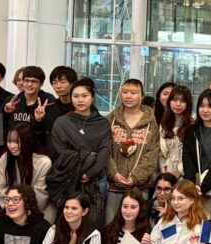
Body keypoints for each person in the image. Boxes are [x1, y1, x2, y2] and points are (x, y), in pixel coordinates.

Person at [49, 78, 111, 224]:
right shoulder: (62, 122)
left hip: (96, 179)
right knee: (68, 220)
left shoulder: (103, 123)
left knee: (93, 221)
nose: (80, 100)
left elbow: (105, 152)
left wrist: (88, 174)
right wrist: (83, 165)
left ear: (92, 97)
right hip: (69, 178)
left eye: (84, 96)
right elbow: (60, 151)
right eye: (76, 96)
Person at [105, 79, 161, 224]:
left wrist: (135, 178)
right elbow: (105, 150)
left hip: (139, 188)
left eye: (133, 93)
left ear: (142, 96)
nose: (128, 96)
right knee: (111, 225)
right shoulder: (110, 119)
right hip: (113, 187)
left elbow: (152, 154)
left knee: (137, 227)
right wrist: (114, 173)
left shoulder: (151, 123)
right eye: (125, 92)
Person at [0, 124, 54, 222]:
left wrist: (22, 212)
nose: (12, 146)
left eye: (16, 142)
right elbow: (1, 189)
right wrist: (11, 209)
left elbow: (41, 196)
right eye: (9, 141)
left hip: (37, 211)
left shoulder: (44, 162)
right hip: (10, 210)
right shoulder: (5, 158)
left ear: (28, 141)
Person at [4, 66, 55, 151]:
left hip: (38, 150)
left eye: (34, 81)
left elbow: (49, 134)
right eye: (27, 81)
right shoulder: (13, 101)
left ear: (41, 84)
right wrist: (6, 113)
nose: (30, 84)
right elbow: (5, 128)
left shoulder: (48, 102)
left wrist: (38, 120)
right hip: (14, 149)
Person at [159, 84, 193, 176]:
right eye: (174, 100)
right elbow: (161, 154)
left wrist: (176, 175)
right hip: (166, 173)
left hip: (185, 175)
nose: (178, 104)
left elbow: (191, 156)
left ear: (188, 103)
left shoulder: (193, 124)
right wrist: (164, 175)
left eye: (182, 101)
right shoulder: (164, 123)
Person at [43, 65, 78, 139]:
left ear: (72, 83)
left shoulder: (80, 107)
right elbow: (47, 135)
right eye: (54, 83)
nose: (58, 86)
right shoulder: (50, 108)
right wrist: (38, 120)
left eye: (62, 82)